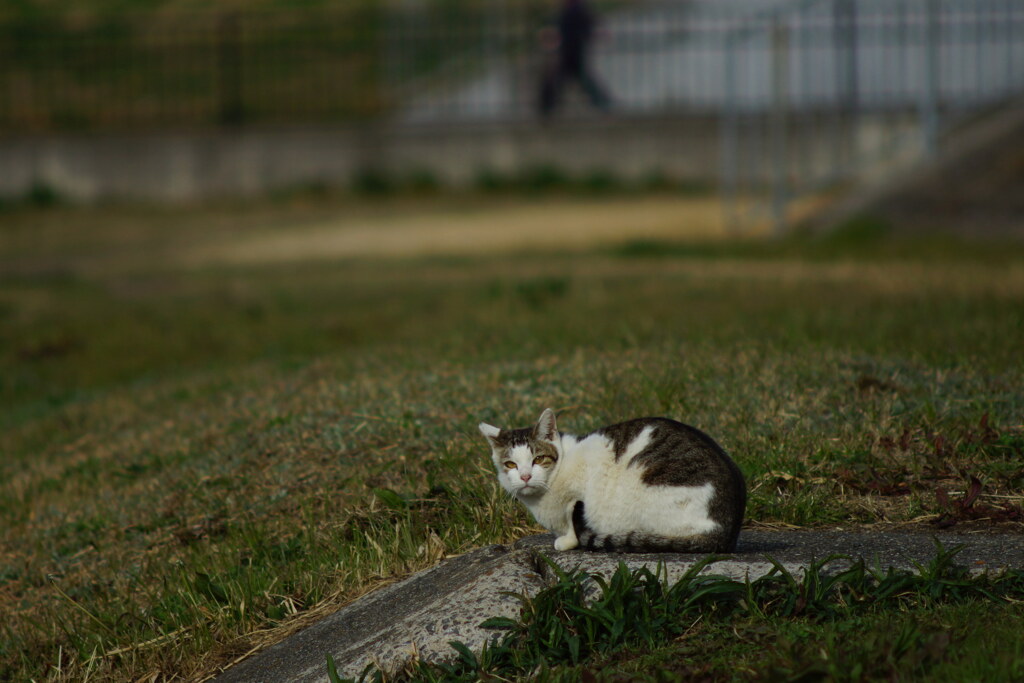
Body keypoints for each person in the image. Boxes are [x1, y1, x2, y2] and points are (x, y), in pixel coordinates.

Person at [538, 0, 611, 117]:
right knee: (577, 79)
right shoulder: (577, 9)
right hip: (573, 49)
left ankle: (546, 108)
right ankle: (603, 104)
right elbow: (588, 26)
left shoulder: (575, 10)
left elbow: (581, 26)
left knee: (559, 79)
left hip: (571, 50)